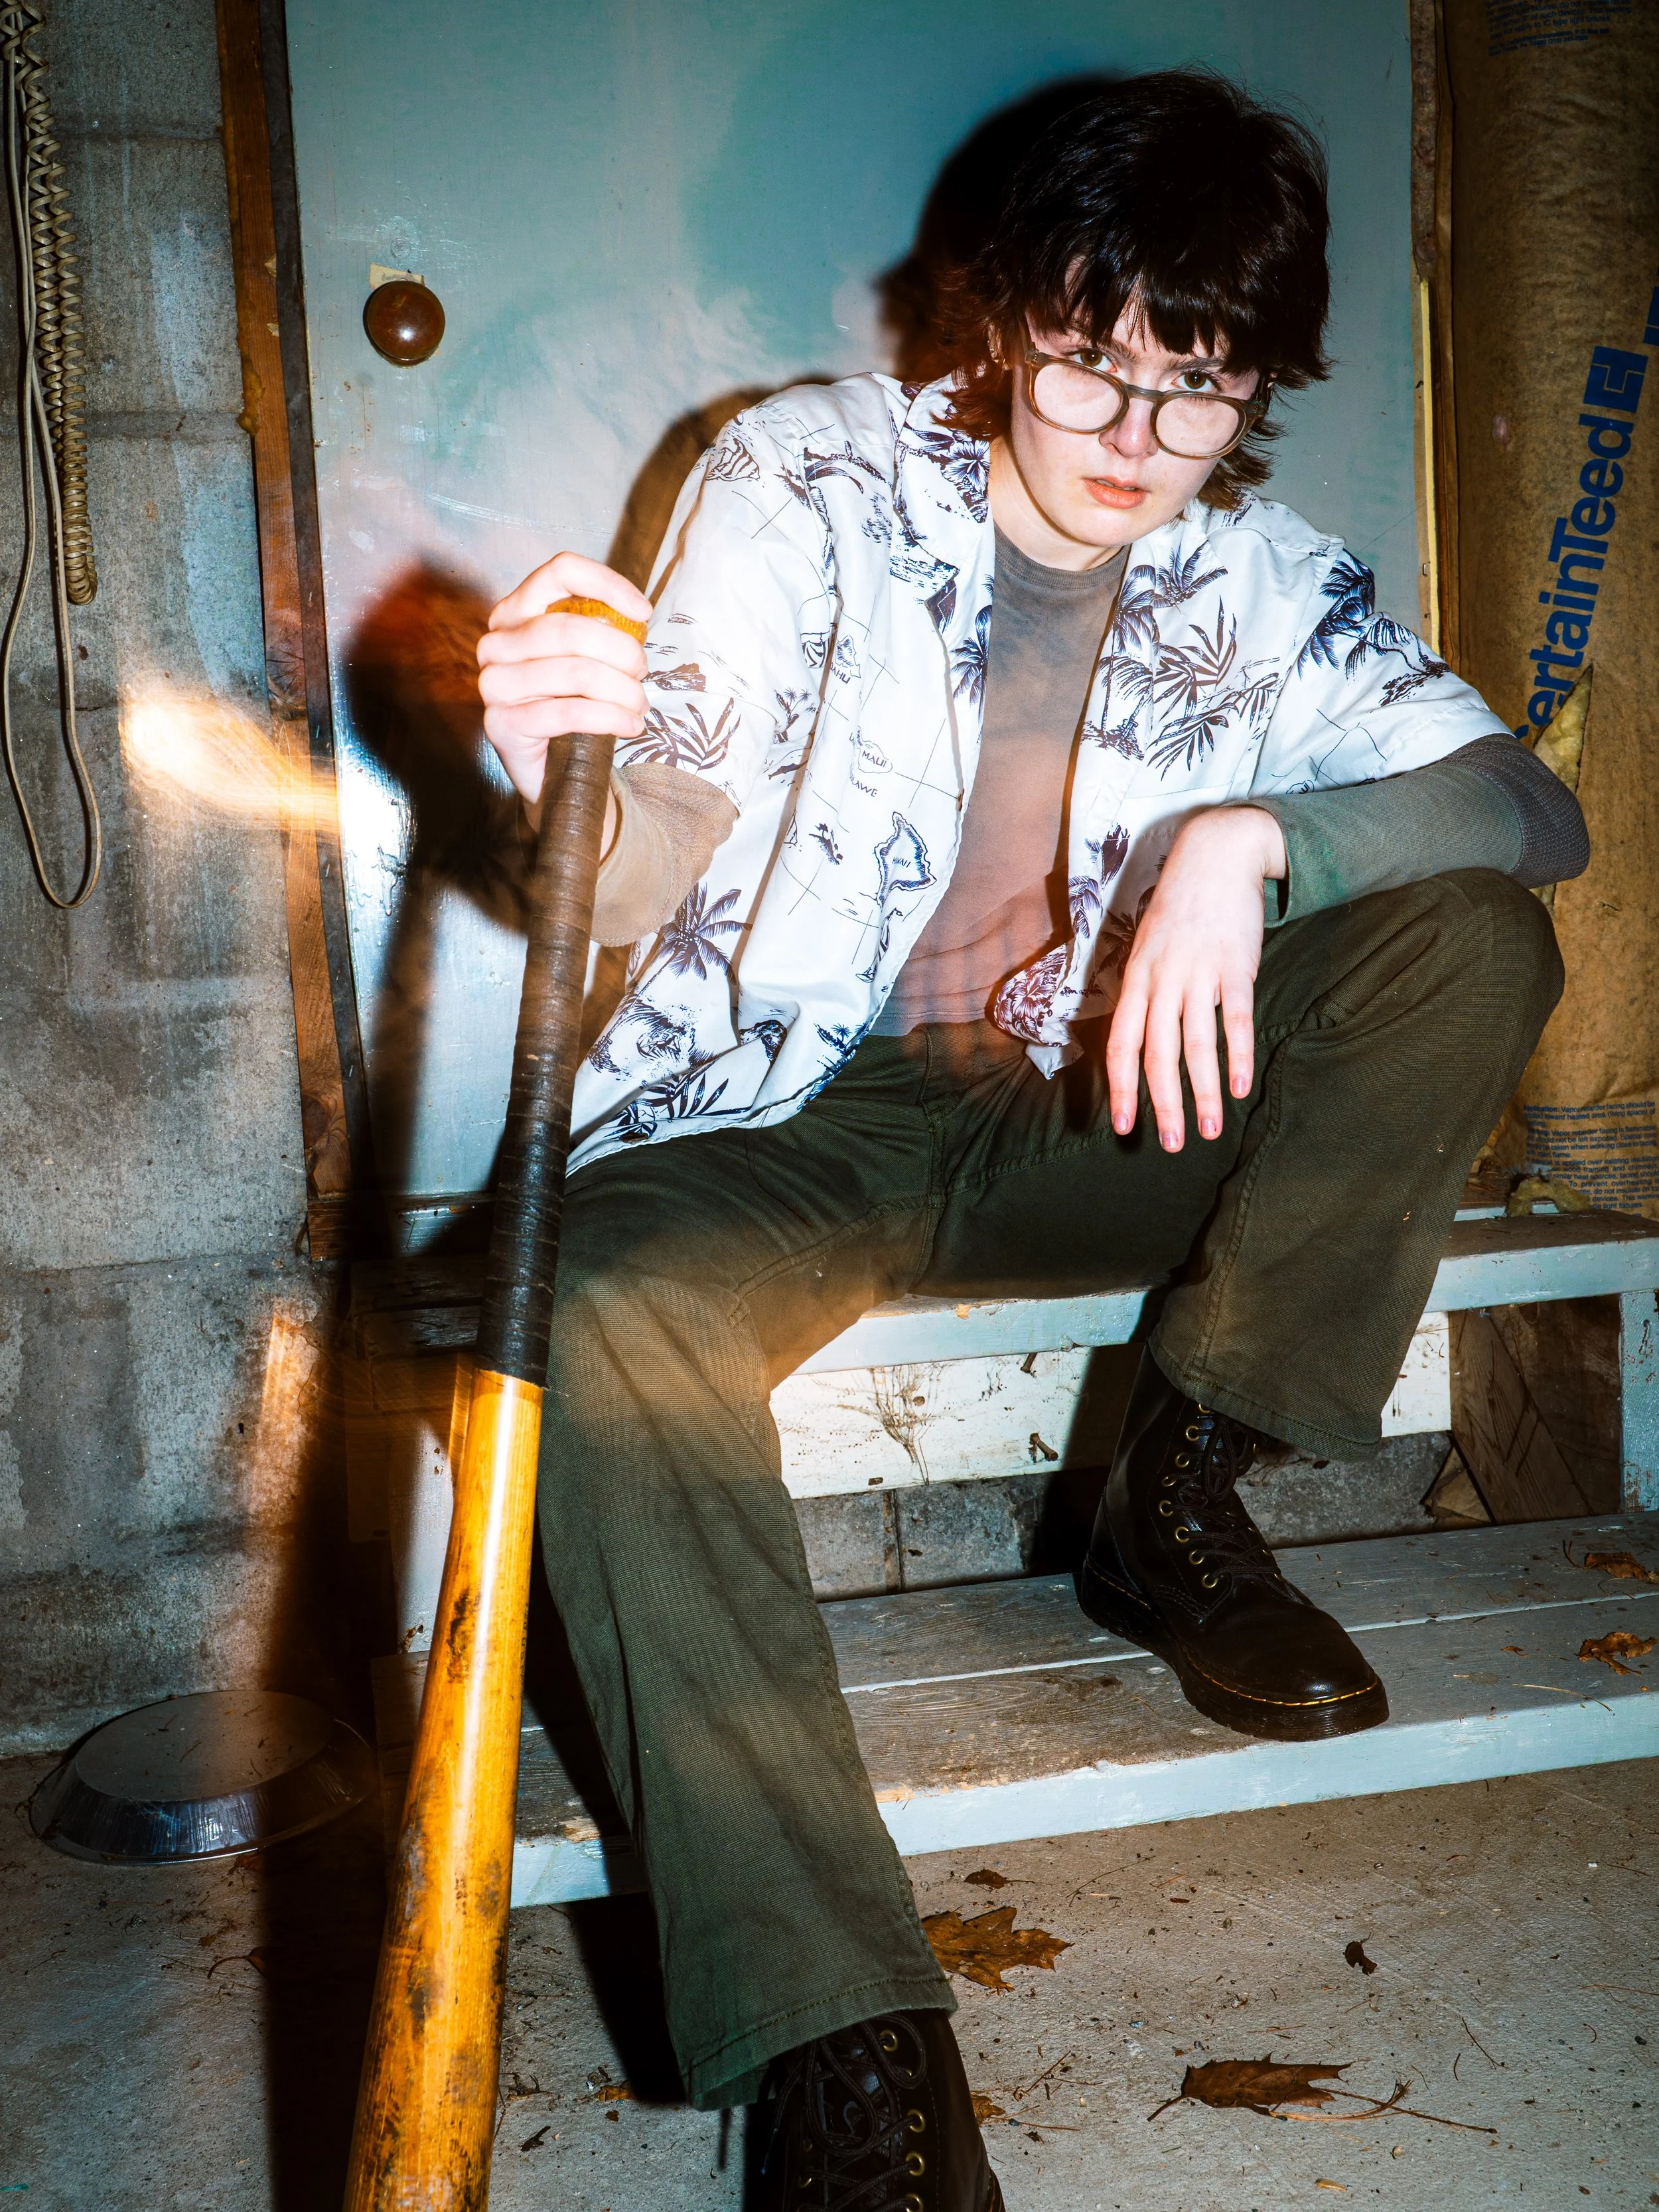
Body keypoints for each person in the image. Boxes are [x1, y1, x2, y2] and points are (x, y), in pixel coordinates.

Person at [476, 70, 1583, 2212]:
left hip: (1087, 1098)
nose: (1125, 439)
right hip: (794, 1114)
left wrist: (1253, 839)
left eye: (1193, 386)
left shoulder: (1261, 575)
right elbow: (617, 889)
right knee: (603, 1308)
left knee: (1462, 941)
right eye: (1085, 360)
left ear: (1251, 382)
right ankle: (844, 2052)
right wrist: (541, 761)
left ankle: (1174, 1491)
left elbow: (1523, 811)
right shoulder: (797, 480)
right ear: (999, 324)